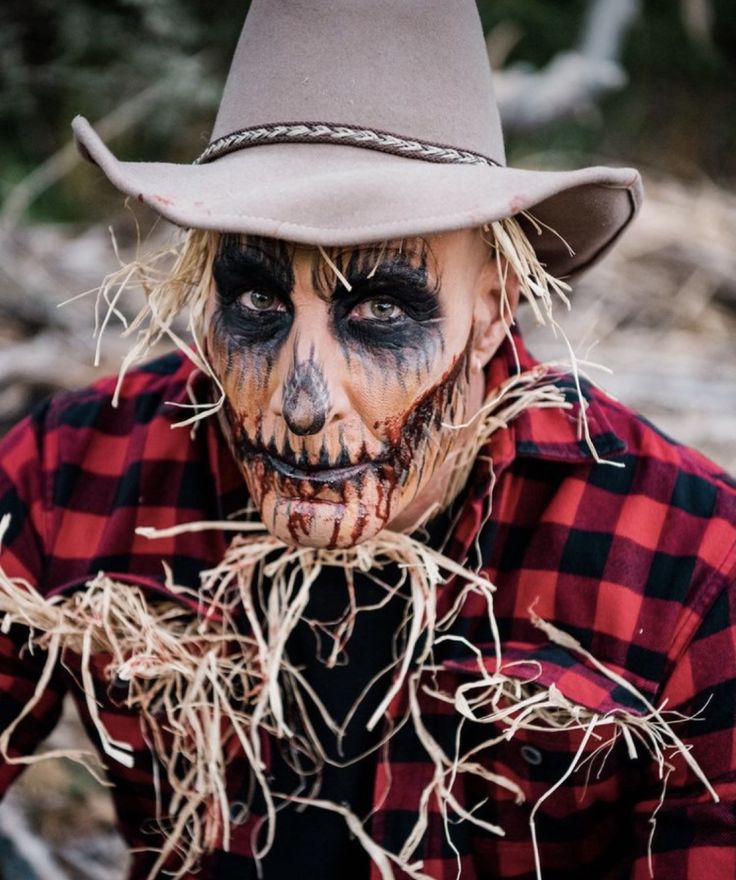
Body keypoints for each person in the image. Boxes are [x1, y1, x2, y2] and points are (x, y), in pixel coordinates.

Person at [1, 2, 734, 879]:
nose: (301, 402)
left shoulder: (687, 561)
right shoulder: (71, 472)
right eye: (258, 302)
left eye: (381, 309)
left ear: (495, 304)